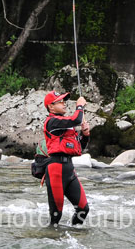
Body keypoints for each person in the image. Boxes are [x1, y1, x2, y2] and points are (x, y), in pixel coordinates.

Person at [43, 91, 91, 227]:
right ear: (51, 107)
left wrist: (85, 134)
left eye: (64, 101)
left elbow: (79, 148)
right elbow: (76, 119)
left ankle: (75, 236)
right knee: (56, 215)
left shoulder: (65, 125)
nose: (64, 103)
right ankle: (52, 241)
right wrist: (80, 106)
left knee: (83, 209)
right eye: (60, 101)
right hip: (55, 170)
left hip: (69, 170)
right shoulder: (52, 122)